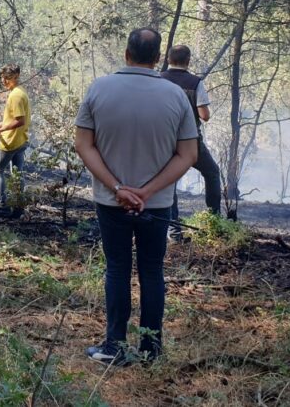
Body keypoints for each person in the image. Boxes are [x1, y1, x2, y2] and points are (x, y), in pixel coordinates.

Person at [75, 28, 198, 366]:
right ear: (158, 58)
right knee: (152, 271)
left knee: (117, 268)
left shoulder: (99, 88)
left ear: (126, 54)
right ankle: (150, 349)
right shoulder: (175, 96)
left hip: (110, 200)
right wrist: (148, 191)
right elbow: (188, 155)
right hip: (156, 205)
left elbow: (83, 145)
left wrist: (118, 188)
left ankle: (114, 346)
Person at [161, 45, 224, 237]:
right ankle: (214, 222)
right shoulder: (195, 82)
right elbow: (205, 115)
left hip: (164, 140)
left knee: (169, 180)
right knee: (212, 173)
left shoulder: (158, 80)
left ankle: (173, 230)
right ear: (188, 60)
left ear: (168, 59)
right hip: (190, 141)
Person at [0, 64, 30, 218]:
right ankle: (19, 207)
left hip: (11, 141)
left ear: (16, 76)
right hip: (21, 139)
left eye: (7, 77)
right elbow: (14, 118)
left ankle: (3, 206)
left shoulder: (16, 96)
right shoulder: (20, 91)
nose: (4, 81)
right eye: (2, 77)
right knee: (17, 174)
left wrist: (0, 130)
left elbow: (20, 121)